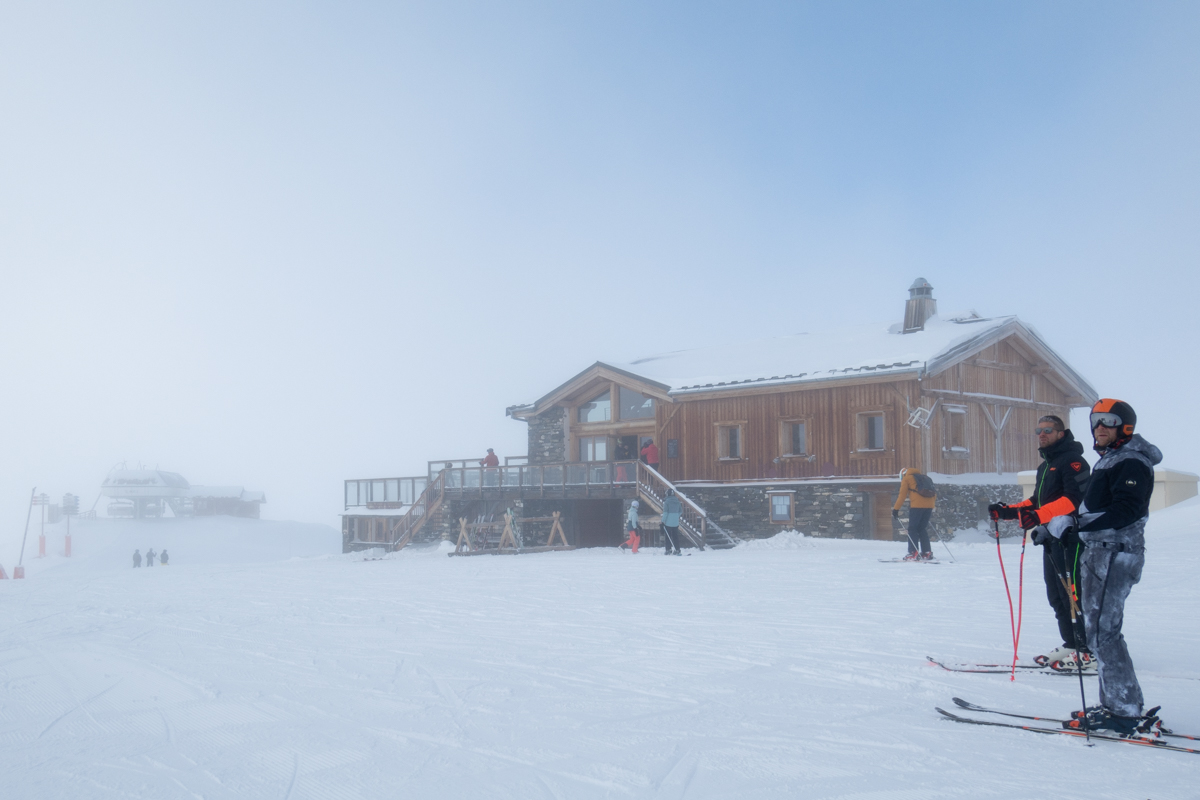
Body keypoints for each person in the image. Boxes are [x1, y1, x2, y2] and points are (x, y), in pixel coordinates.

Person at [1056, 399, 1161, 736]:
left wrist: (1075, 525)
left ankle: (1123, 710)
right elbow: (1091, 509)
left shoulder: (1130, 461)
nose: (1100, 427)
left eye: (1109, 421)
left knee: (1103, 631)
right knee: (1099, 631)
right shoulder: (1111, 460)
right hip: (1100, 552)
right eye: (1096, 421)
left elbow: (1127, 509)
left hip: (1116, 552)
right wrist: (1061, 524)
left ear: (1124, 426)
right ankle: (1116, 701)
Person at [988, 415, 1092, 670]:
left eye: (1048, 430)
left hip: (1071, 537)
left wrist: (1038, 516)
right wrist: (1009, 511)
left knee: (1073, 594)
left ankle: (1087, 649)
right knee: (1056, 595)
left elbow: (1073, 500)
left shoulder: (1074, 461)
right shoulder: (1046, 466)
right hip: (1051, 538)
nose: (1042, 434)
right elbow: (1037, 501)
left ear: (1061, 433)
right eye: (1039, 430)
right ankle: (1071, 643)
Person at [893, 468, 936, 560]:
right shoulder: (926, 478)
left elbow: (902, 495)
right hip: (929, 506)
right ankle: (926, 552)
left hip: (917, 507)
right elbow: (934, 494)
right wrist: (929, 505)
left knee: (912, 529)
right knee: (922, 528)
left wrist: (896, 509)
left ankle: (913, 552)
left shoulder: (907, 479)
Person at [661, 489, 683, 555]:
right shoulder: (677, 501)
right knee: (675, 536)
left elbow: (665, 513)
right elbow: (680, 511)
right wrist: (676, 516)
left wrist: (663, 521)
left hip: (668, 522)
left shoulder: (667, 502)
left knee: (668, 536)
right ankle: (677, 549)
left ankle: (668, 549)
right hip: (675, 522)